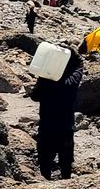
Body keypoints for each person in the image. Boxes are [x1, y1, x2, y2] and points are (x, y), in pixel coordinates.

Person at [33, 46, 83, 179]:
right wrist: (75, 57)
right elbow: (79, 67)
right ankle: (66, 182)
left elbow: (34, 95)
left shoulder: (46, 79)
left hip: (46, 123)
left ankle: (45, 180)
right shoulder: (71, 82)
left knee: (45, 159)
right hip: (65, 125)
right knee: (66, 160)